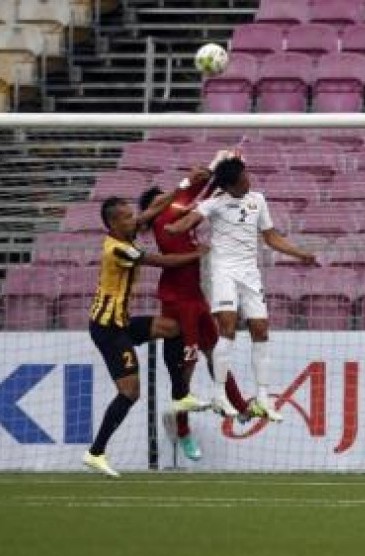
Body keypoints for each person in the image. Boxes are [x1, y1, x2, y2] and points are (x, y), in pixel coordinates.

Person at [164, 154, 316, 422]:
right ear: (231, 185)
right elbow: (185, 222)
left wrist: (299, 254)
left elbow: (271, 237)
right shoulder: (214, 204)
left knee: (260, 329)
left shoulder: (258, 200)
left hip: (250, 274)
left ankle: (262, 398)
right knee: (228, 327)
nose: (249, 179)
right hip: (223, 272)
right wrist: (172, 227)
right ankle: (219, 394)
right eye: (244, 177)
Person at [84, 195, 208, 477]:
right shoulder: (118, 250)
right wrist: (198, 254)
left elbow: (152, 210)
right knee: (130, 392)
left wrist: (181, 188)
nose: (135, 220)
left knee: (172, 328)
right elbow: (161, 261)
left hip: (121, 322)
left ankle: (180, 395)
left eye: (132, 215)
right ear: (114, 223)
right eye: (128, 217)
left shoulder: (123, 231)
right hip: (108, 330)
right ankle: (96, 453)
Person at [137, 150, 249, 460]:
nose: (168, 200)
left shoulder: (176, 214)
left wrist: (224, 168)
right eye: (161, 199)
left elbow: (202, 196)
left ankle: (240, 405)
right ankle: (183, 431)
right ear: (150, 210)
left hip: (196, 297)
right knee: (185, 370)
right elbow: (190, 196)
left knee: (217, 354)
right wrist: (214, 165)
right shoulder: (163, 221)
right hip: (176, 304)